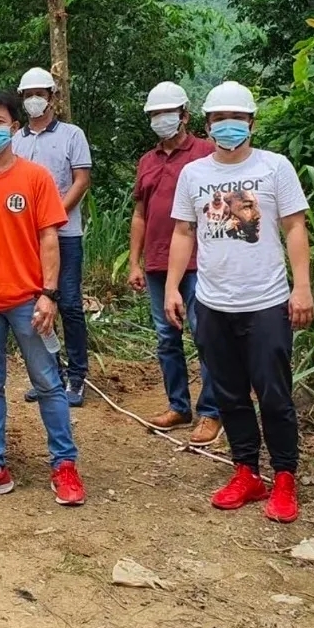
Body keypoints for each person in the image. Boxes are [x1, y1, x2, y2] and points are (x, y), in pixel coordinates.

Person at [165, 81, 313, 523]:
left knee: (274, 394)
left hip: (266, 301)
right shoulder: (194, 174)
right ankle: (246, 472)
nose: (227, 125)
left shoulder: (274, 167)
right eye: (218, 119)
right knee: (229, 394)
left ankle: (284, 477)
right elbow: (183, 232)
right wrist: (172, 287)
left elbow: (294, 227)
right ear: (207, 124)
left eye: (236, 118)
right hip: (213, 303)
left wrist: (301, 287)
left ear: (251, 122)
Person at [0, 89, 85, 506]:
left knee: (48, 383)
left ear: (14, 127)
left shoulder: (36, 178)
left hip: (29, 302)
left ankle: (64, 465)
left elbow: (49, 238)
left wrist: (49, 294)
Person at [127, 82, 221, 445]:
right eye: (154, 114)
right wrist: (134, 262)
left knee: (204, 334)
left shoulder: (206, 153)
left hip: (199, 261)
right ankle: (178, 406)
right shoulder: (147, 162)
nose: (160, 119)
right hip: (157, 262)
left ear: (184, 115)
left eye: (166, 113)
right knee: (167, 337)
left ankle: (211, 412)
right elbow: (140, 214)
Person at [11, 67, 92, 407]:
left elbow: (81, 180)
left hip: (64, 235)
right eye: (29, 94)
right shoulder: (15, 140)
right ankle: (50, 375)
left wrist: (53, 215)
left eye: (40, 94)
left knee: (69, 304)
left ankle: (77, 376)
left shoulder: (72, 135)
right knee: (38, 307)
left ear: (52, 97)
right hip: (27, 239)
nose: (34, 100)